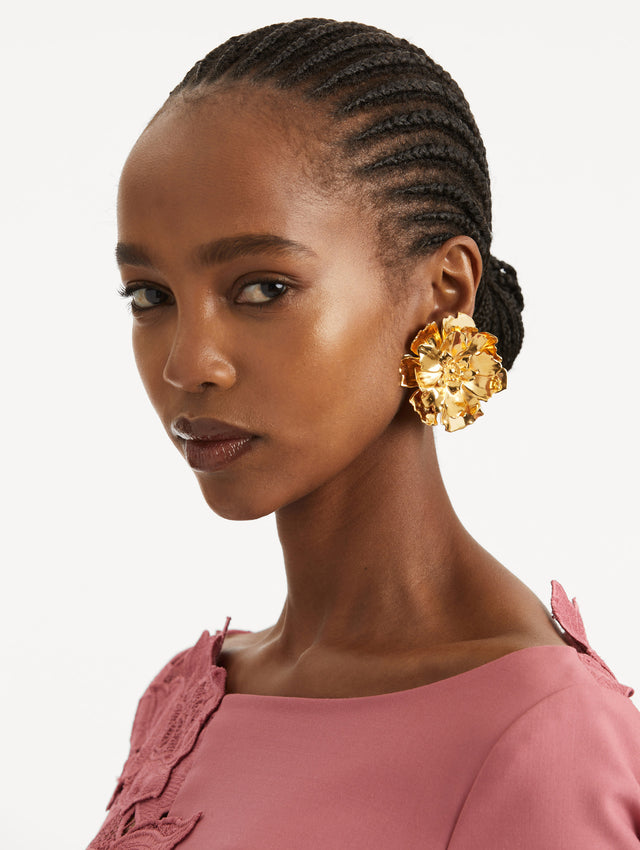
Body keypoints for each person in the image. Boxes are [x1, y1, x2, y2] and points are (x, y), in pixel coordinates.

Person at [89, 18, 640, 849]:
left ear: (443, 292)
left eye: (263, 288)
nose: (188, 364)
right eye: (149, 296)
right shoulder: (187, 700)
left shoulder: (539, 735)